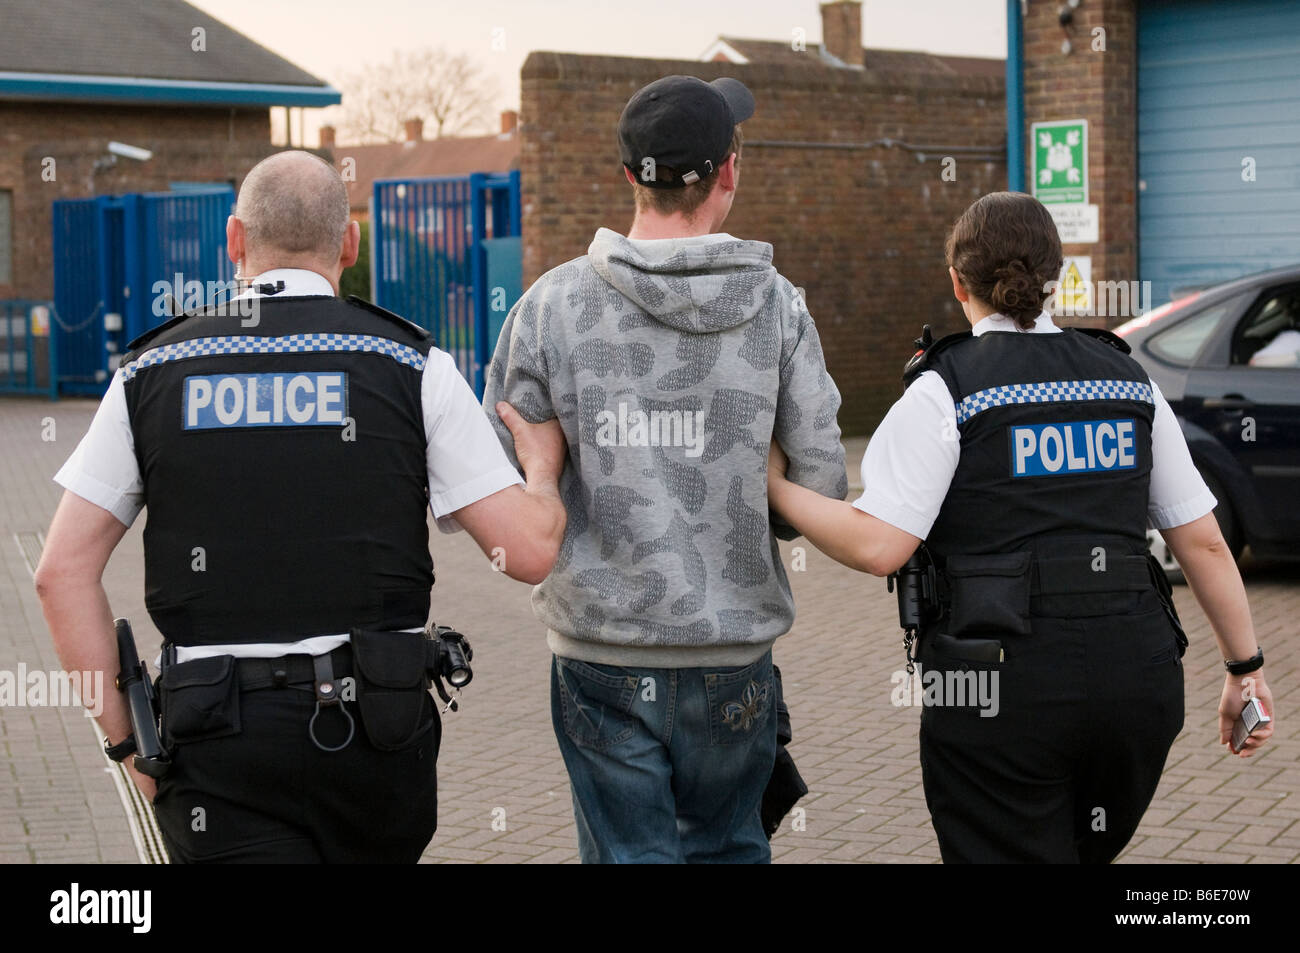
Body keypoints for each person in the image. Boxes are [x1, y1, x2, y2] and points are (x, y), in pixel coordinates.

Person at [34, 150, 567, 863]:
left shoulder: (151, 374)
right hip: (375, 741)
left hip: (216, 748)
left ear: (234, 241)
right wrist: (541, 466)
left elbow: (58, 574)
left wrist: (130, 744)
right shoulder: (415, 368)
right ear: (350, 241)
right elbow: (530, 551)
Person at [766, 191, 1276, 864]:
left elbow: (879, 543)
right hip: (1138, 682)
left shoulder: (946, 388)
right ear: (1057, 278)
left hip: (1000, 691)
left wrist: (775, 487)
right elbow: (1204, 541)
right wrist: (1246, 669)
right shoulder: (1129, 381)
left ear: (957, 282)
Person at [482, 75, 847, 863]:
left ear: (628, 178)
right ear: (729, 171)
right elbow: (822, 491)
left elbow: (494, 487)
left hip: (600, 659)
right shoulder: (781, 311)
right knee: (728, 849)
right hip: (733, 658)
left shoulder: (548, 309)